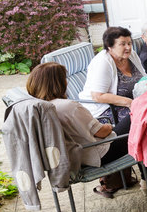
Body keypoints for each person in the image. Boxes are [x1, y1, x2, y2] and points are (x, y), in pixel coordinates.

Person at [26, 62, 128, 198]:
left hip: (75, 158)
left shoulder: (39, 109)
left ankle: (140, 179)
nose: (66, 82)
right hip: (99, 154)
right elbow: (102, 132)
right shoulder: (69, 107)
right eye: (64, 79)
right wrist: (109, 127)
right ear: (57, 83)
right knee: (136, 116)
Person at [80, 26, 145, 137]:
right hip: (107, 110)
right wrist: (130, 102)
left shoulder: (131, 55)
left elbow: (144, 78)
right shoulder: (103, 62)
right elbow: (97, 96)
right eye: (122, 44)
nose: (128, 47)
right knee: (144, 115)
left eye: (129, 43)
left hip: (133, 103)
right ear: (110, 46)